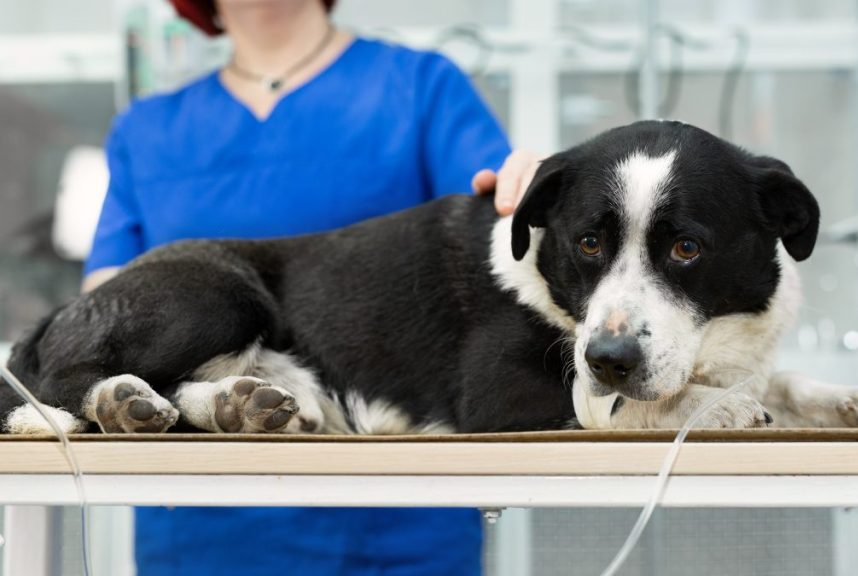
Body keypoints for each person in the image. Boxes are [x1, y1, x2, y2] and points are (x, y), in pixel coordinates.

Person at [84, 0, 539, 574]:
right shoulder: (146, 130)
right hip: (200, 521)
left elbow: (501, 237)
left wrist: (535, 188)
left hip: (395, 514)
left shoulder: (420, 88)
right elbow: (107, 312)